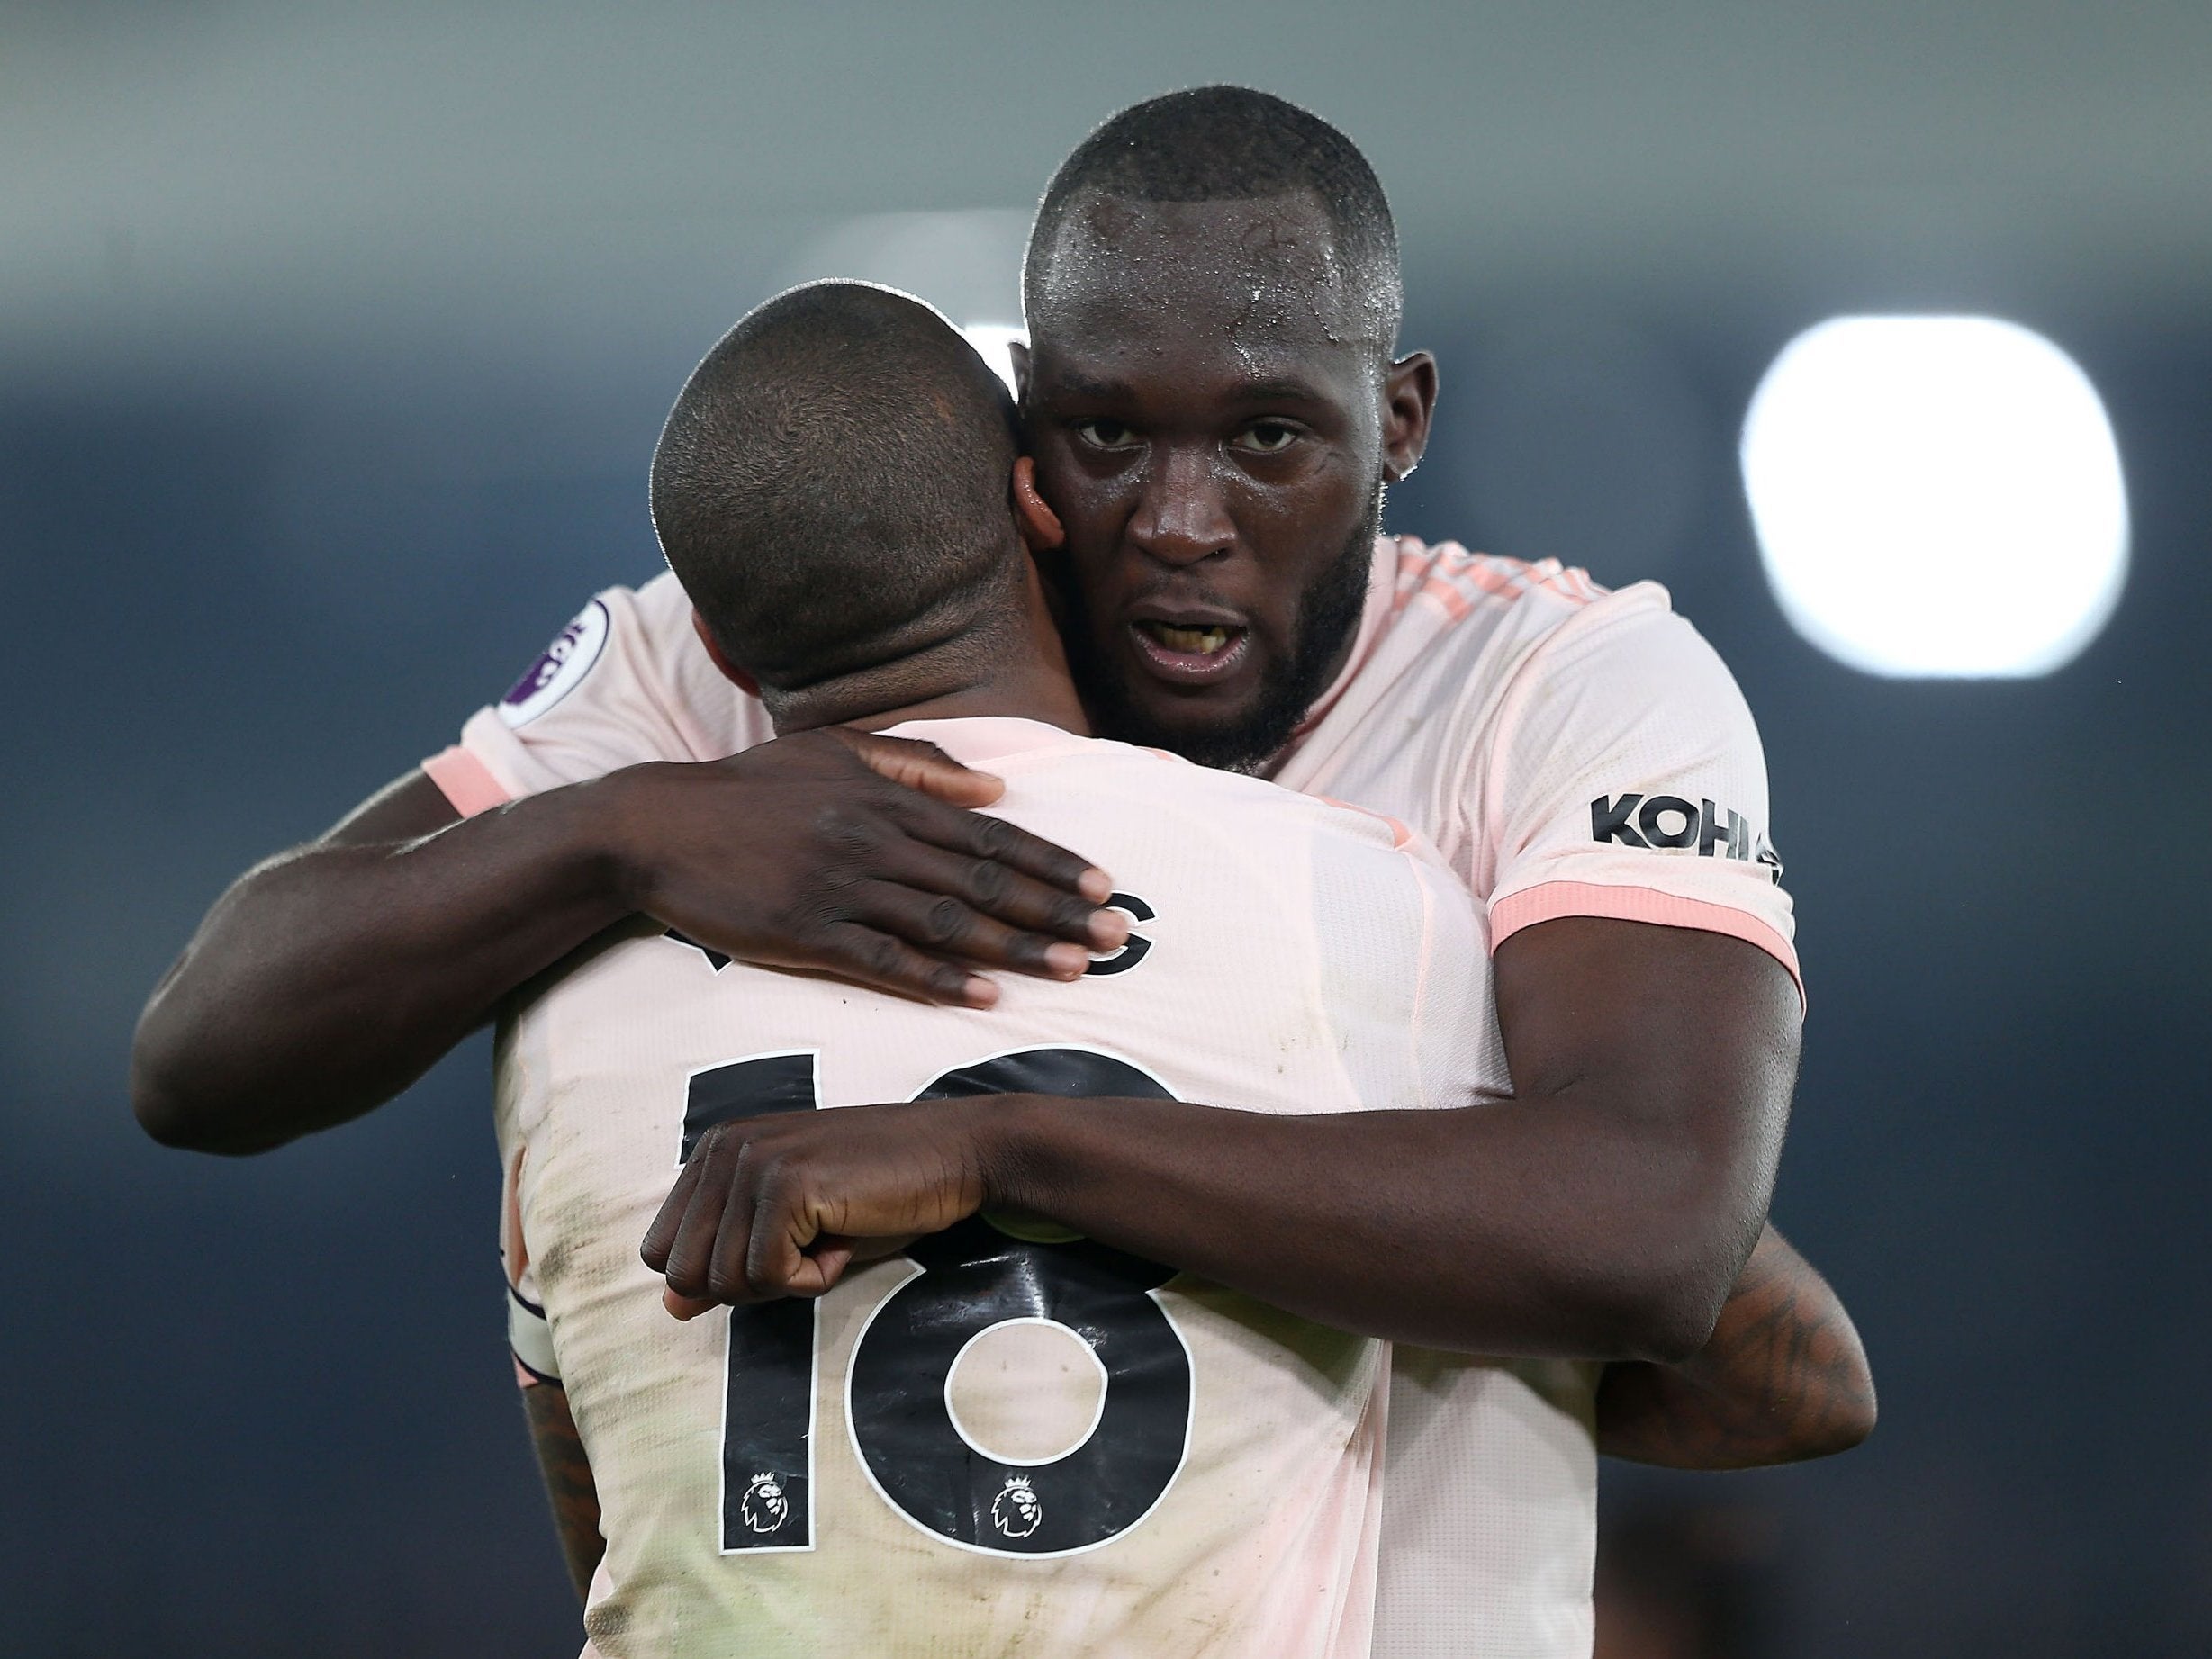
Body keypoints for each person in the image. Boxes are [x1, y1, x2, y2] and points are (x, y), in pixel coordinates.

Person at [133, 89, 1872, 1656]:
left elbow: (1656, 1235)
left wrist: (1004, 1149)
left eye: (1267, 439)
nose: (1179, 520)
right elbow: (204, 1053)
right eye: (1108, 437)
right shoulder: (744, 656)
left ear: (1396, 420)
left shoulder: (1545, 688)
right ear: (1023, 443)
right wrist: (621, 828)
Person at [503, 278, 1862, 1659]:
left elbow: (613, 1527)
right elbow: (1789, 1378)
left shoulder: (564, 1018)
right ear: (1039, 509)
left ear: (715, 644)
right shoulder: (1359, 907)